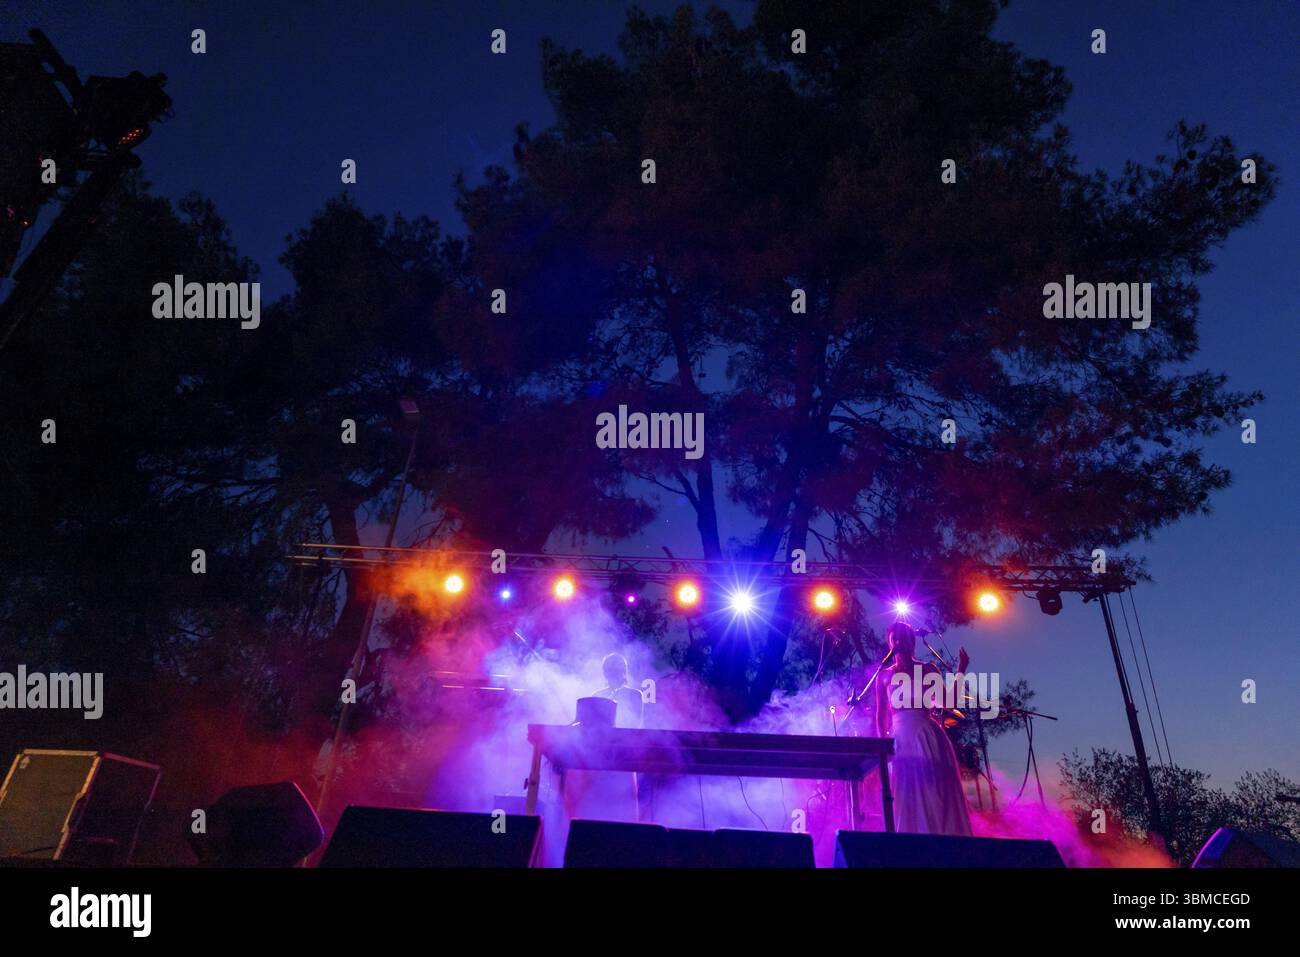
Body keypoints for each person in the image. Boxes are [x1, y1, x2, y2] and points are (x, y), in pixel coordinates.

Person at [874, 621, 972, 836]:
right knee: (906, 794)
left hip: (927, 735)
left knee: (935, 793)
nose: (899, 642)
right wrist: (882, 748)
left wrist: (961, 669)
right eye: (894, 639)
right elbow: (881, 717)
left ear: (912, 642)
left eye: (903, 638)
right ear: (890, 643)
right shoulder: (884, 676)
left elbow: (948, 702)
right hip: (900, 739)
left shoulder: (927, 669)